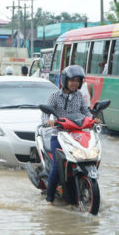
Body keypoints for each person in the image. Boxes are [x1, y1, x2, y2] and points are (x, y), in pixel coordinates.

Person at [41, 65, 100, 205]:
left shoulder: (79, 96)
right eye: (72, 80)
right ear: (65, 80)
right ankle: (49, 200)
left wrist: (93, 119)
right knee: (56, 166)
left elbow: (85, 111)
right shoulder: (54, 96)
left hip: (77, 133)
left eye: (78, 81)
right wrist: (48, 121)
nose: (75, 83)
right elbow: (45, 112)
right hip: (59, 134)